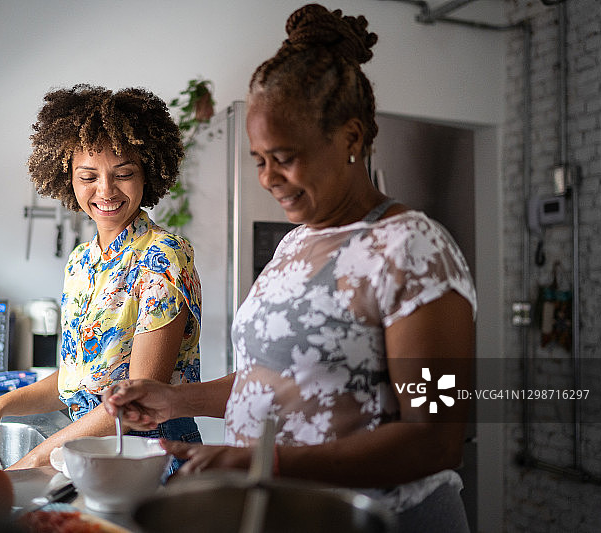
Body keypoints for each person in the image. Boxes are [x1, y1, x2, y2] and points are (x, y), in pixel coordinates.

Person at [103, 5, 476, 532]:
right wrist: (173, 400)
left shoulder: (413, 249)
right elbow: (273, 380)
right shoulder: (295, 244)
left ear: (351, 139)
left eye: (285, 156)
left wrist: (265, 463)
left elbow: (436, 438)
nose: (269, 178)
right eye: (259, 159)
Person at [0, 85, 203, 472]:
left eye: (123, 173)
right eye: (88, 176)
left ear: (148, 173)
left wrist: (39, 456)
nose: (105, 190)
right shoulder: (81, 261)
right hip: (90, 450)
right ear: (67, 180)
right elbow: (77, 379)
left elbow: (140, 400)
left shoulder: (164, 256)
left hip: (152, 459)